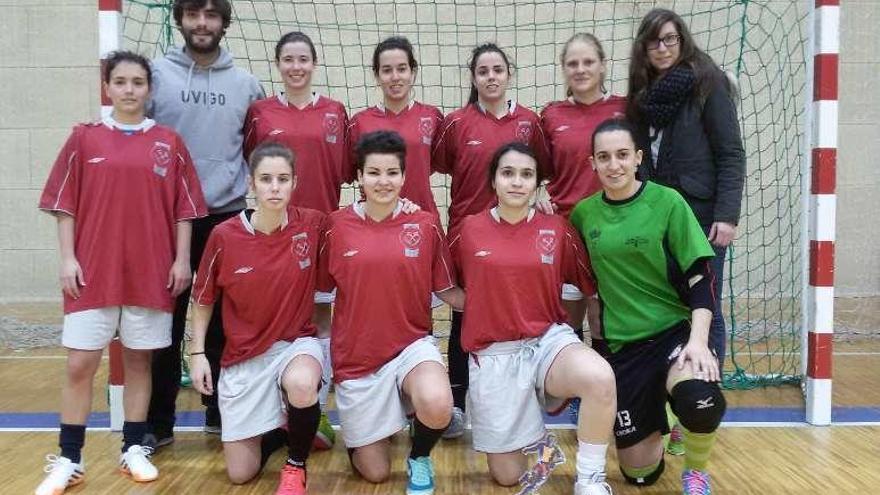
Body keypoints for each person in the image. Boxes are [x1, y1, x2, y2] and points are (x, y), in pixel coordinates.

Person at [35, 50, 207, 495]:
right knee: (80, 364)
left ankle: (133, 447)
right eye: (121, 82)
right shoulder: (84, 139)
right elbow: (64, 206)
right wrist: (68, 259)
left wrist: (182, 259)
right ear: (106, 87)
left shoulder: (170, 142)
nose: (130, 89)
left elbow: (183, 212)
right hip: (92, 272)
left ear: (149, 89)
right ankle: (70, 459)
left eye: (138, 82)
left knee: (138, 360)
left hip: (150, 272)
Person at [569, 119, 727, 495]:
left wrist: (699, 342)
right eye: (604, 157)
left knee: (701, 401)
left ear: (638, 157)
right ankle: (667, 414)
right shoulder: (583, 215)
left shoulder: (668, 202)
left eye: (623, 155)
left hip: (672, 332)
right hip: (623, 349)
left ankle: (696, 469)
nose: (614, 165)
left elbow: (701, 279)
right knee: (640, 475)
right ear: (592, 163)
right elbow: (576, 283)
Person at [450, 142, 615, 495]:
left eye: (527, 175)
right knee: (508, 476)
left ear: (537, 185)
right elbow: (442, 284)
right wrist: (479, 304)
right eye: (507, 173)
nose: (516, 182)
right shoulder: (468, 229)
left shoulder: (555, 229)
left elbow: (590, 283)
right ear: (493, 181)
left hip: (547, 342)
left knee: (600, 377)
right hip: (494, 354)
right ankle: (540, 439)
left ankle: (589, 479)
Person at [317, 131, 463, 495]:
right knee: (375, 473)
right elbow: (319, 297)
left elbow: (446, 290)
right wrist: (319, 361)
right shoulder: (335, 225)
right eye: (374, 173)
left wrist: (505, 306)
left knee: (438, 402)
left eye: (392, 173)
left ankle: (419, 455)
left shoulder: (426, 223)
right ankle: (373, 427)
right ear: (360, 176)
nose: (384, 181)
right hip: (357, 360)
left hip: (410, 347)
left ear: (404, 175)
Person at [147, 0, 265, 444]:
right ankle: (158, 426)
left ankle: (221, 412)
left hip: (226, 216)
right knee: (166, 323)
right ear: (180, 19)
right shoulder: (156, 76)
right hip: (167, 219)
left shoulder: (246, 85)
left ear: (224, 24)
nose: (202, 23)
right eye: (194, 13)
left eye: (211, 15)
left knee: (225, 323)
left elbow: (255, 151)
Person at [188, 142, 326, 495]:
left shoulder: (311, 225)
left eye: (283, 179)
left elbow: (363, 219)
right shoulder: (224, 236)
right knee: (240, 473)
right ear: (251, 184)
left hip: (295, 345)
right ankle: (289, 430)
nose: (275, 187)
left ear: (295, 182)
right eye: (266, 179)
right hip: (244, 356)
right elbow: (203, 300)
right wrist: (198, 354)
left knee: (301, 384)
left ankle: (296, 466)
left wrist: (401, 207)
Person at [432, 43, 550, 437]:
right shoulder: (455, 123)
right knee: (464, 315)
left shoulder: (530, 123)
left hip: (518, 237)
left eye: (498, 69)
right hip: (468, 237)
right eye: (483, 71)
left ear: (509, 74)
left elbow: (540, 171)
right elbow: (444, 164)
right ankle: (458, 402)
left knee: (518, 310)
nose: (491, 77)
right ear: (473, 77)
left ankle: (524, 396)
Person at [243, 31, 350, 448]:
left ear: (314, 63)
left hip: (321, 231)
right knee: (276, 317)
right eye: (288, 59)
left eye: (303, 59)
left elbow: (344, 172)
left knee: (320, 318)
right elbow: (250, 165)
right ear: (278, 64)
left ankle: (314, 413)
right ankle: (272, 411)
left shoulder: (335, 112)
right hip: (272, 233)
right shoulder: (260, 113)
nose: (296, 67)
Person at [625, 7, 745, 366]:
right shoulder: (644, 94)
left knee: (705, 301)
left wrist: (727, 216)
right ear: (644, 48)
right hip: (657, 216)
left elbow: (731, 153)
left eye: (670, 39)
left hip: (702, 216)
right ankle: (673, 387)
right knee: (668, 302)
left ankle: (707, 390)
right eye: (654, 41)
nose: (662, 48)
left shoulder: (708, 82)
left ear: (682, 40)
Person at [541, 33, 626, 341]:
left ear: (603, 65)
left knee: (603, 318)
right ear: (564, 68)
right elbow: (538, 167)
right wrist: (538, 193)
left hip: (614, 226)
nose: (580, 69)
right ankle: (572, 387)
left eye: (588, 61)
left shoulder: (625, 109)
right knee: (567, 319)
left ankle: (609, 387)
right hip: (568, 228)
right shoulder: (551, 114)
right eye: (572, 63)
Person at [348, 36, 444, 216]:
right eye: (386, 70)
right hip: (374, 221)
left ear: (412, 71)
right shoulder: (359, 123)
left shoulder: (432, 117)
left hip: (422, 217)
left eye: (402, 69)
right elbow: (352, 172)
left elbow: (434, 164)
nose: (395, 77)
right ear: (377, 75)